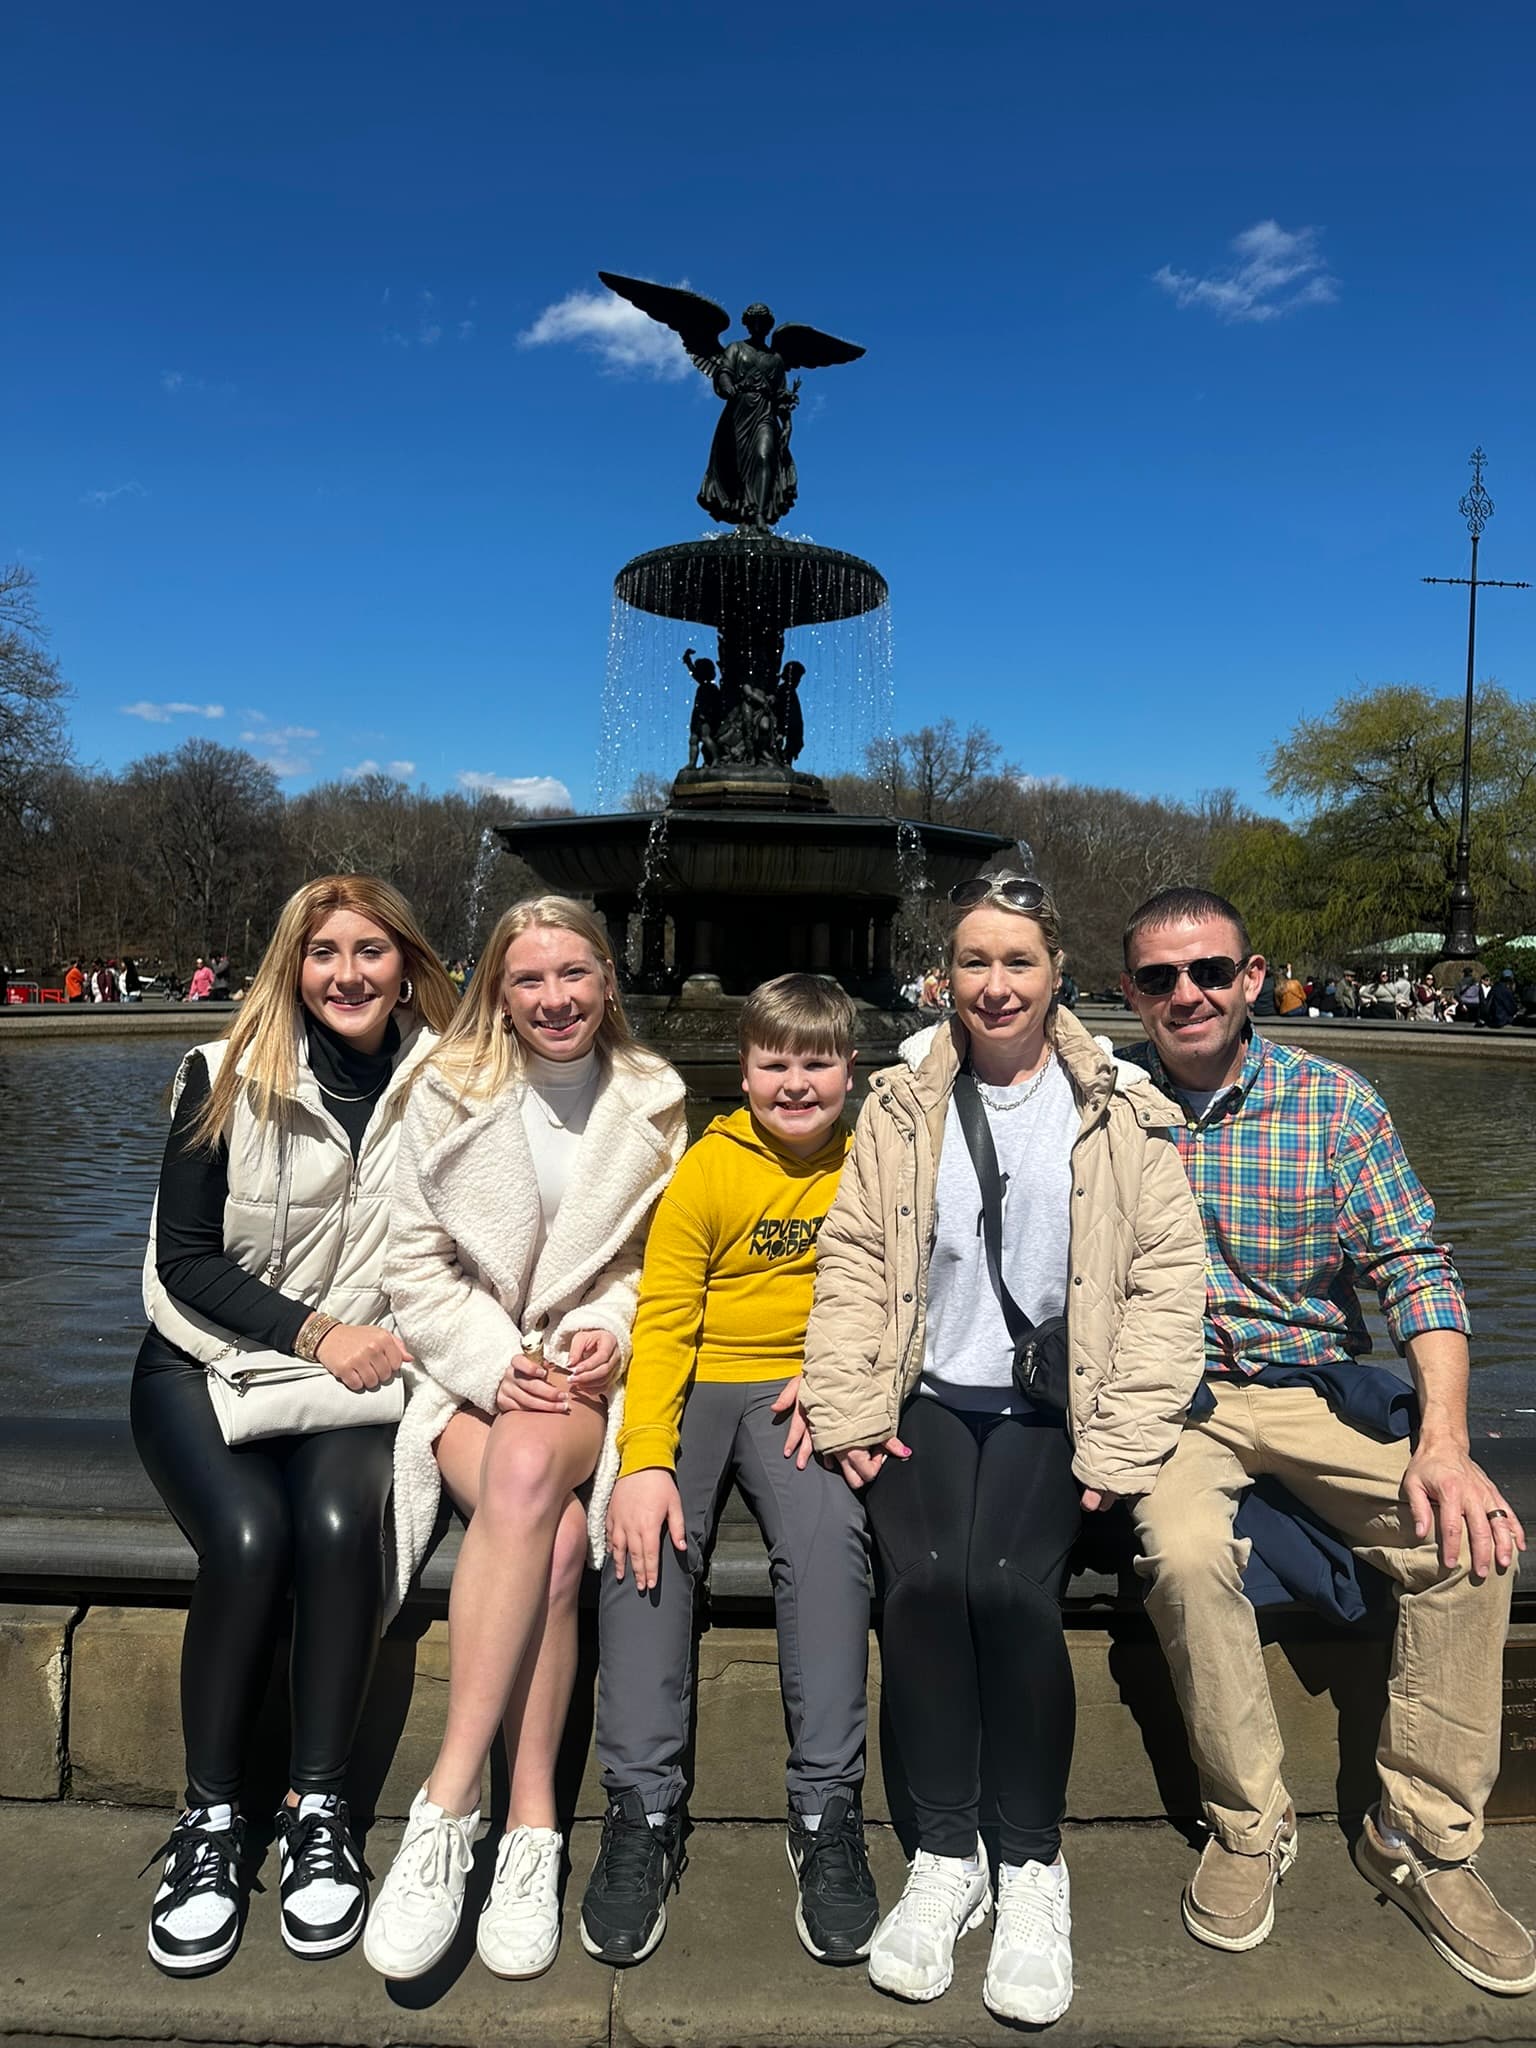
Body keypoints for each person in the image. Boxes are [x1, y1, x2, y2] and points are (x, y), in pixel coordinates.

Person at [801, 873, 1206, 2025]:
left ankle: (1030, 1861)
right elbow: (854, 1259)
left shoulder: (1119, 1105)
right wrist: (849, 1405)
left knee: (1005, 1585)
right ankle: (946, 1855)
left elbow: (1168, 1280)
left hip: (1053, 1405)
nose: (995, 983)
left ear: (1056, 972)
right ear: (946, 976)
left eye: (1017, 960)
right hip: (928, 1390)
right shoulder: (897, 1103)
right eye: (974, 961)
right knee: (927, 1581)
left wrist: (1121, 1437)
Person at [1118, 886, 1533, 1993]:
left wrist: (1444, 1442)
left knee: (1470, 1542)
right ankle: (1249, 1823)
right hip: (1178, 1397)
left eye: (1210, 970)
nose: (1187, 994)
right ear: (1131, 994)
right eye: (1159, 978)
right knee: (1185, 1554)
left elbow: (1417, 1270)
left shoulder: (1334, 1105)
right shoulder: (1106, 1105)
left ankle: (1421, 1837)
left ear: (1253, 978)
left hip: (1313, 1387)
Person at [131, 875, 458, 1977]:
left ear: (406, 966)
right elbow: (184, 1263)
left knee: (336, 1525)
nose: (347, 974)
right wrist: (319, 1331)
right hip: (203, 1361)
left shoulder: (452, 1082)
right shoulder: (221, 1074)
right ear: (293, 964)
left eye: (371, 950)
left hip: (349, 1387)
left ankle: (320, 1808)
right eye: (324, 952)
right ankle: (212, 1818)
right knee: (248, 1539)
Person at [364, 896, 687, 1986]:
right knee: (543, 1535)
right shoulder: (444, 1088)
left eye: (574, 974)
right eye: (529, 979)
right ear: (497, 992)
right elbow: (414, 1269)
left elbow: (651, 1262)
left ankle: (452, 1803)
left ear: (608, 979)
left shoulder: (654, 1097)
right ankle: (518, 1818)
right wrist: (492, 1356)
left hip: (581, 1378)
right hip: (463, 1373)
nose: (555, 999)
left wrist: (607, 1327)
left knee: (531, 1469)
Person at [579, 973, 876, 1971]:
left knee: (830, 1540)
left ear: (850, 1070)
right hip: (705, 1373)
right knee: (644, 1539)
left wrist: (840, 1375)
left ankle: (826, 1810)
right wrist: (644, 1457)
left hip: (806, 1385)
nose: (795, 1083)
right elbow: (665, 1316)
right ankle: (640, 1807)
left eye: (816, 1063)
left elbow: (901, 1291)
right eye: (773, 1063)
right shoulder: (708, 1168)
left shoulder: (872, 1161)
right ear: (742, 1072)